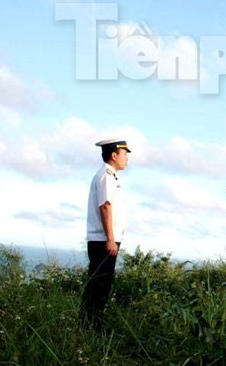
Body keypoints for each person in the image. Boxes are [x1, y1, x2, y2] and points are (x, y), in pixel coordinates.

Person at [80, 138, 130, 330]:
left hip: (106, 239)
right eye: (124, 154)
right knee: (99, 285)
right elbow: (105, 206)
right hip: (103, 240)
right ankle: (92, 327)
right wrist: (110, 239)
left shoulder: (111, 176)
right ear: (114, 155)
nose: (127, 159)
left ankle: (90, 324)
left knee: (101, 284)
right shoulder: (106, 176)